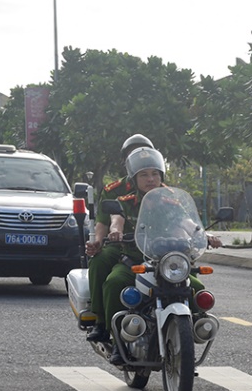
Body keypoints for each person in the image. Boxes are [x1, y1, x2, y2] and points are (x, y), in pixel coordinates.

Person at [98, 147, 221, 363]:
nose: (150, 179)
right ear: (135, 178)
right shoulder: (124, 201)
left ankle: (190, 333)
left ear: (161, 176)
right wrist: (115, 231)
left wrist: (205, 234)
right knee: (114, 282)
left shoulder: (170, 202)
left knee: (198, 288)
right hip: (134, 262)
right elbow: (117, 220)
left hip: (168, 263)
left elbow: (187, 223)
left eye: (155, 174)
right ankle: (117, 342)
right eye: (144, 175)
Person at [86, 134, 155, 346]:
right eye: (134, 154)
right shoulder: (114, 191)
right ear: (127, 162)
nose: (149, 178)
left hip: (158, 249)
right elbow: (106, 222)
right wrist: (99, 241)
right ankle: (101, 320)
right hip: (123, 245)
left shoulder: (162, 189)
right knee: (100, 261)